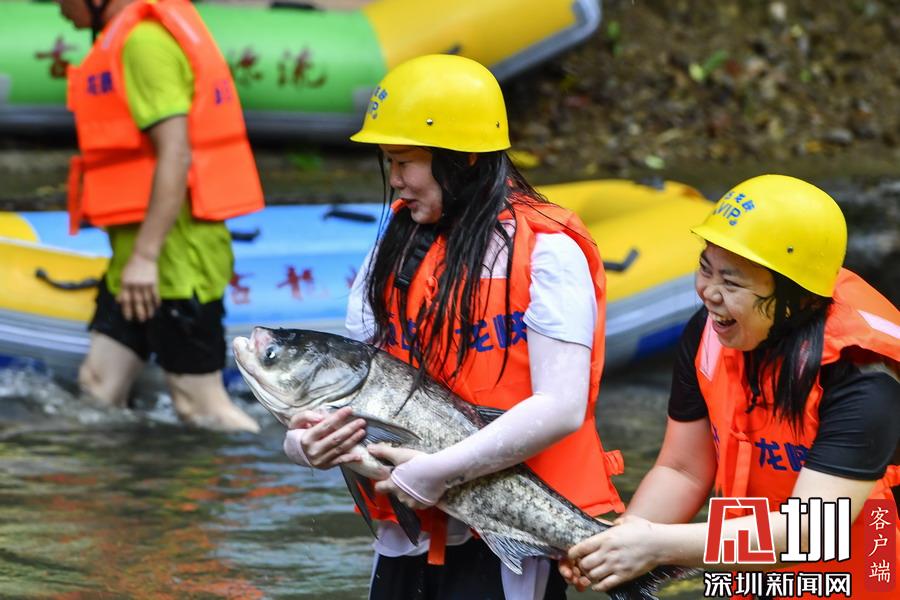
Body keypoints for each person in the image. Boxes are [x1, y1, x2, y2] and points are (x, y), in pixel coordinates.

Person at [281, 54, 625, 599]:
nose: (395, 182)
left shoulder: (548, 252)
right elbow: (354, 381)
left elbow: (561, 406)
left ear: (463, 159)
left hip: (507, 534)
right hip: (406, 533)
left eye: (404, 162)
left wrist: (437, 472)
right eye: (389, 163)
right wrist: (304, 443)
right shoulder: (395, 245)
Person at [563, 175, 900, 596]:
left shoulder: (862, 376)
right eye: (705, 269)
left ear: (800, 297)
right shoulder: (709, 334)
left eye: (733, 282)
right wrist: (620, 545)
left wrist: (655, 546)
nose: (709, 293)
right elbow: (683, 469)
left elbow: (813, 529)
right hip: (751, 570)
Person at [58, 0, 263, 432]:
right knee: (98, 385)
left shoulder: (144, 44)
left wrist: (146, 257)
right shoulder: (126, 40)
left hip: (174, 262)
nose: (58, 7)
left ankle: (272, 464)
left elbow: (176, 151)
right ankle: (114, 475)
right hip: (136, 258)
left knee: (200, 406)